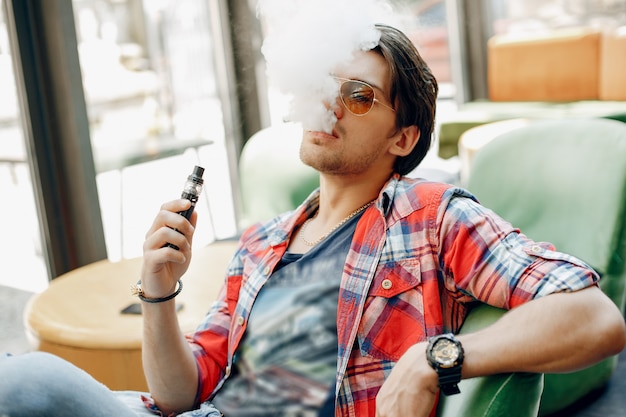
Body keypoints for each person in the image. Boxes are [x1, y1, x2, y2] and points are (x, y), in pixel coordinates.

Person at [0, 23, 624, 417]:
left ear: (402, 137)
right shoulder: (263, 242)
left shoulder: (433, 216)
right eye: (326, 86)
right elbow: (179, 393)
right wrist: (159, 288)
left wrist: (436, 357)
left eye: (359, 96)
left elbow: (594, 318)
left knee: (26, 384)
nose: (330, 104)